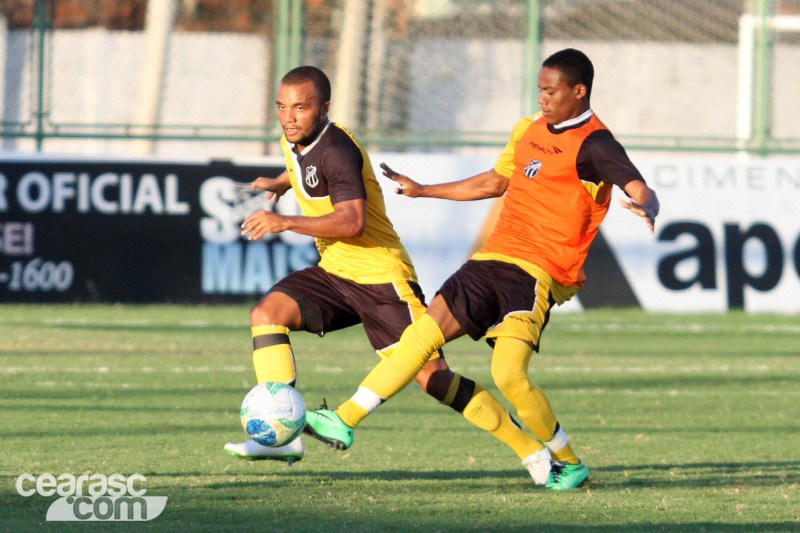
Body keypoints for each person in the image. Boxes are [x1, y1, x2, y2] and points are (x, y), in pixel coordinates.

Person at [302, 49, 660, 490]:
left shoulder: (596, 144)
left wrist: (646, 204)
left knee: (509, 376)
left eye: (551, 91)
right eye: (539, 90)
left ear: (579, 91)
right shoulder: (528, 128)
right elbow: (495, 181)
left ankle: (568, 462)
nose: (543, 98)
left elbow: (637, 183)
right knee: (421, 337)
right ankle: (344, 419)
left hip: (536, 273)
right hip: (491, 259)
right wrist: (424, 190)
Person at [224, 65, 553, 483]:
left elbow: (352, 221)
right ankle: (285, 433)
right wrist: (282, 182)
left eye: (300, 107)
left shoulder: (338, 150)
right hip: (335, 272)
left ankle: (532, 451)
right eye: (281, 107)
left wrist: (284, 221)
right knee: (266, 313)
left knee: (433, 378)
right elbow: (303, 166)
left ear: (324, 108)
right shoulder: (298, 138)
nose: (289, 116)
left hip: (381, 280)